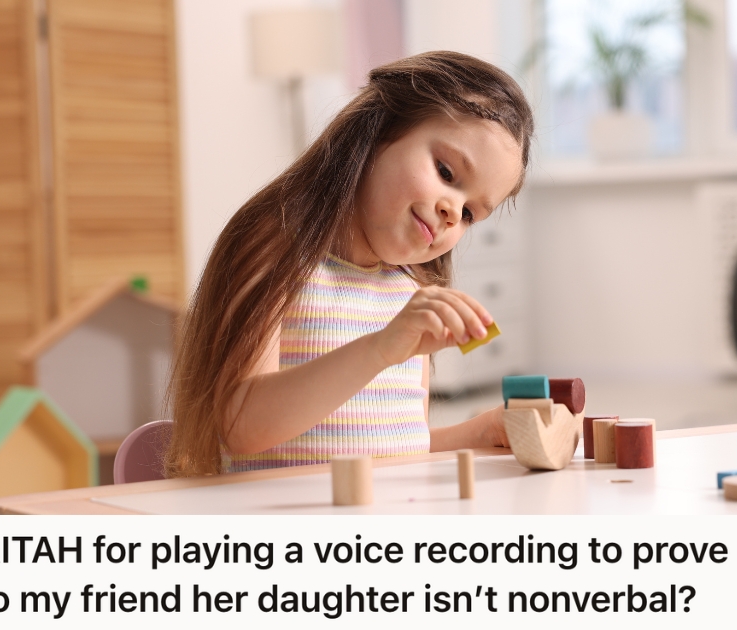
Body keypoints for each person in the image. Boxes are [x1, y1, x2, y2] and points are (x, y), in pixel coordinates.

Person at [166, 51, 533, 477]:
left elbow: (390, 444)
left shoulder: (412, 289)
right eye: (446, 173)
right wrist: (380, 347)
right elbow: (241, 426)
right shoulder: (277, 246)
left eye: (470, 213)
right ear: (378, 131)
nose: (454, 212)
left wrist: (480, 430)